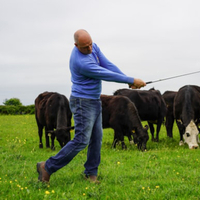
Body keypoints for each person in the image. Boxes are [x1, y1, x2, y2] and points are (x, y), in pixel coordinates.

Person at [37, 29, 146, 183]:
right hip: (82, 102)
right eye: (84, 47)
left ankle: (91, 173)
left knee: (97, 138)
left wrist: (127, 80)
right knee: (81, 139)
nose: (89, 49)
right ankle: (47, 167)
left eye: (90, 44)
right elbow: (104, 73)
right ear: (76, 45)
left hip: (95, 100)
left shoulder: (92, 47)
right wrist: (131, 79)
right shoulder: (81, 62)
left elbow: (107, 64)